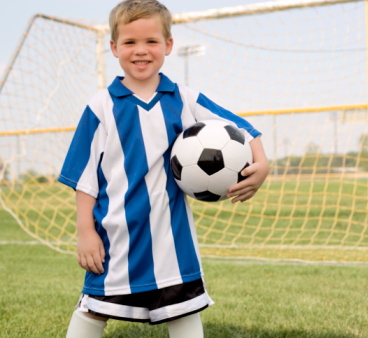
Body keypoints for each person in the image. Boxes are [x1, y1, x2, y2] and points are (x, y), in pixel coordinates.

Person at [58, 0, 269, 337]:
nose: (140, 51)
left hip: (172, 239)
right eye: (130, 42)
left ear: (168, 46)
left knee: (184, 307)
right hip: (116, 237)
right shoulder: (100, 107)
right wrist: (86, 231)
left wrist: (262, 165)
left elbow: (243, 131)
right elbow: (84, 179)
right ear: (114, 47)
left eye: (151, 41)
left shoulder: (184, 98)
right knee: (94, 308)